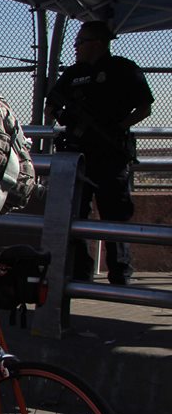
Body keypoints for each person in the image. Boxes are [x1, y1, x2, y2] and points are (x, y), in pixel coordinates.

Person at [44, 20, 153, 285]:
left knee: (115, 214)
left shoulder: (123, 70)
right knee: (75, 214)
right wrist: (65, 116)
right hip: (78, 156)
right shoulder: (72, 74)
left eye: (80, 42)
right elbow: (52, 105)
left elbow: (144, 107)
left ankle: (120, 272)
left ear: (98, 43)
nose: (75, 47)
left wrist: (116, 128)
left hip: (110, 155)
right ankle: (80, 272)